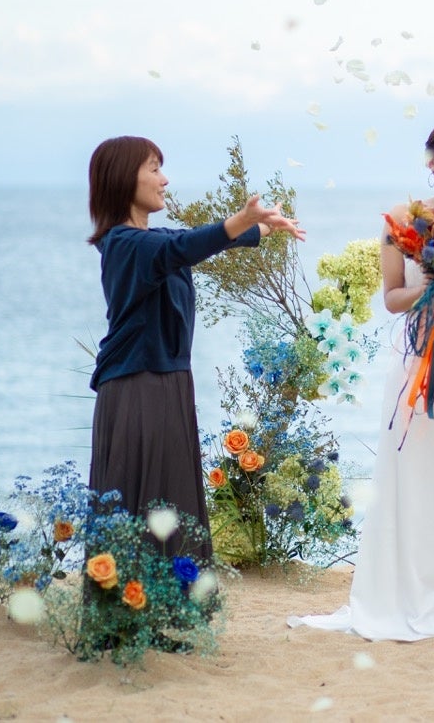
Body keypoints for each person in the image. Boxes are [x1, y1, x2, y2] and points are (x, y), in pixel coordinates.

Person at [294, 119, 434, 640]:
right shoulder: (402, 218)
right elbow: (393, 297)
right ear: (431, 158)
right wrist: (431, 286)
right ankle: (402, 592)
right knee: (412, 470)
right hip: (415, 354)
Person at [87, 135, 304, 562]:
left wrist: (261, 227)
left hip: (166, 383)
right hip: (136, 388)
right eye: (154, 169)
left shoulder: (150, 241)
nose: (164, 180)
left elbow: (192, 242)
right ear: (124, 179)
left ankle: (172, 600)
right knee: (138, 509)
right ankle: (131, 601)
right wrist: (241, 218)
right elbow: (182, 247)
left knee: (171, 504)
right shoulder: (126, 245)